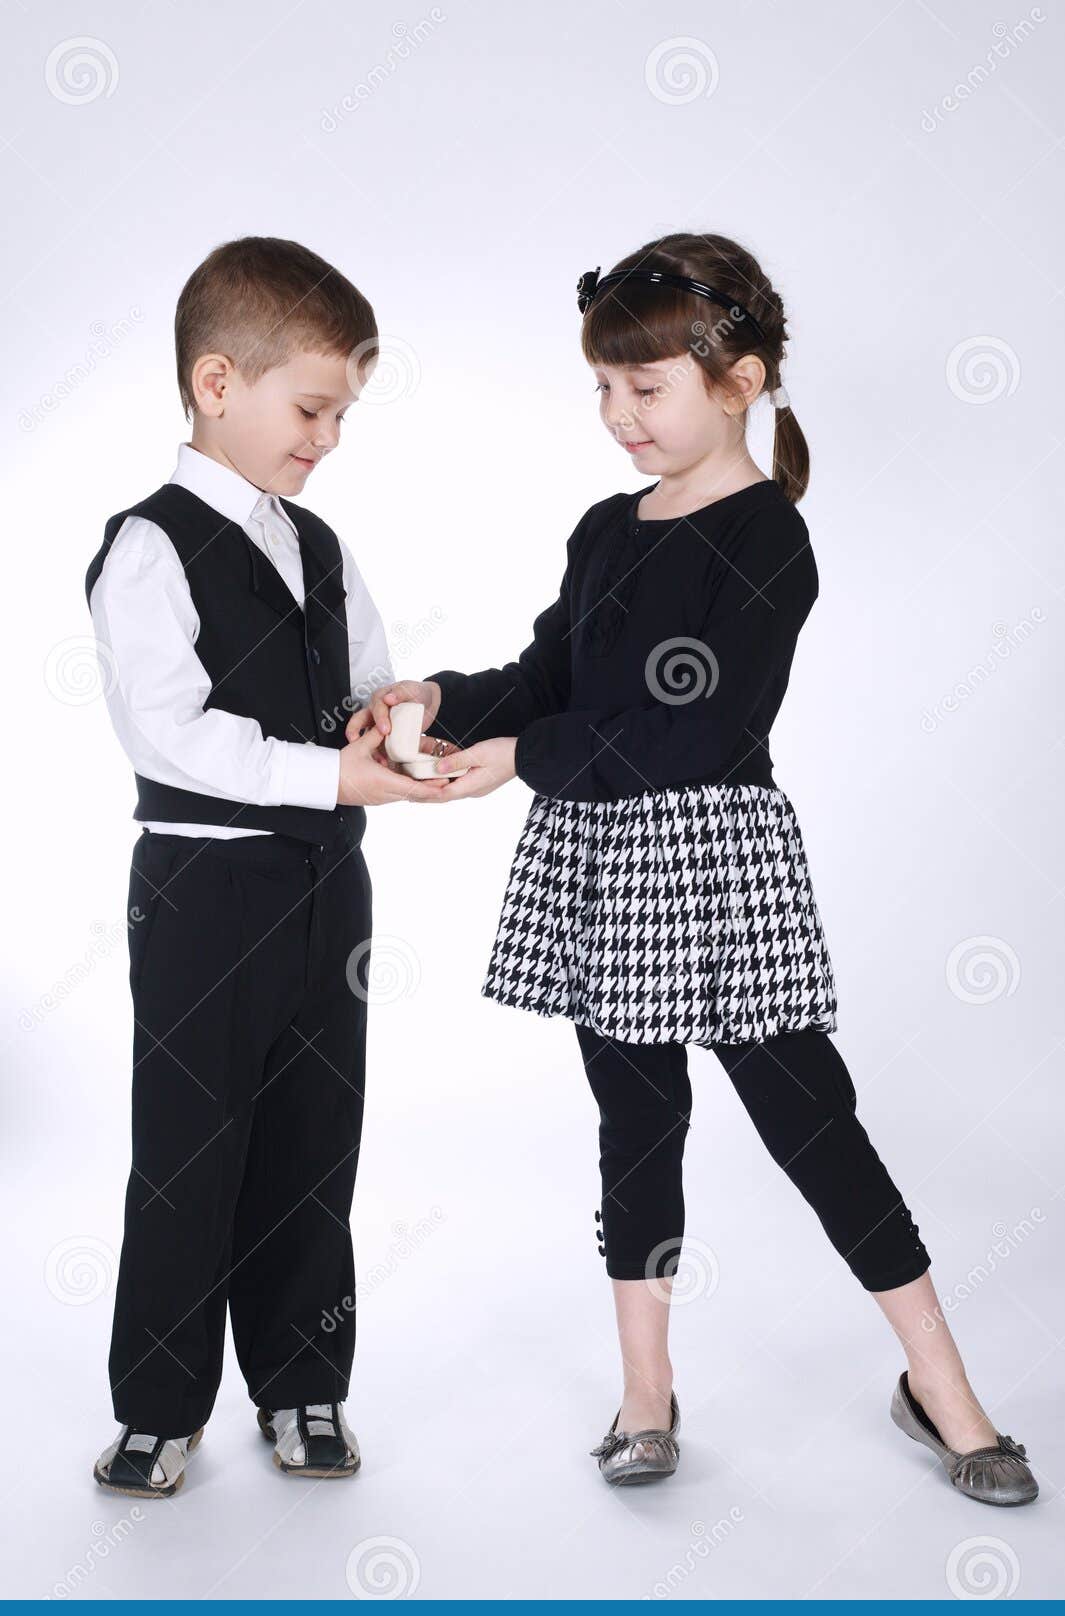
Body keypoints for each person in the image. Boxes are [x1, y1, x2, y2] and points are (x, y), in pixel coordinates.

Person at [359, 233, 1038, 1506]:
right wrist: (449, 694)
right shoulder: (604, 530)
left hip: (717, 865)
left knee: (812, 1121)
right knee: (637, 1125)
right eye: (605, 391)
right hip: (603, 860)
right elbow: (553, 671)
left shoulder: (767, 540)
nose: (620, 417)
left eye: (648, 388)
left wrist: (526, 752)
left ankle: (941, 1390)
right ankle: (647, 1392)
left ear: (741, 380)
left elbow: (706, 729)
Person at [85, 235, 449, 1498]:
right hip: (204, 894)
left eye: (342, 412)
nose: (329, 436)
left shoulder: (321, 545)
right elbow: (171, 732)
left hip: (324, 890)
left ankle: (302, 1382)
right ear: (216, 381)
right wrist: (335, 774)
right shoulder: (147, 548)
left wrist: (382, 722)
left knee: (311, 1137)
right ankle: (158, 1401)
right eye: (312, 408)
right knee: (191, 1144)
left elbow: (354, 683)